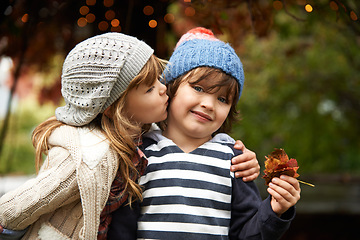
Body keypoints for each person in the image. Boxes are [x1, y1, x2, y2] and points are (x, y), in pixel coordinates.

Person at [0, 32, 259, 240]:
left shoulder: (139, 144)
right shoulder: (98, 154)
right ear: (116, 105)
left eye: (222, 98)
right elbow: (18, 209)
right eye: (150, 87)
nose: (163, 88)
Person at [136, 27, 301, 240]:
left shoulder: (234, 161)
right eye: (199, 88)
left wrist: (274, 210)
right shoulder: (141, 151)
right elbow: (122, 225)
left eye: (223, 99)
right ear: (171, 87)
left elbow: (246, 232)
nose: (209, 104)